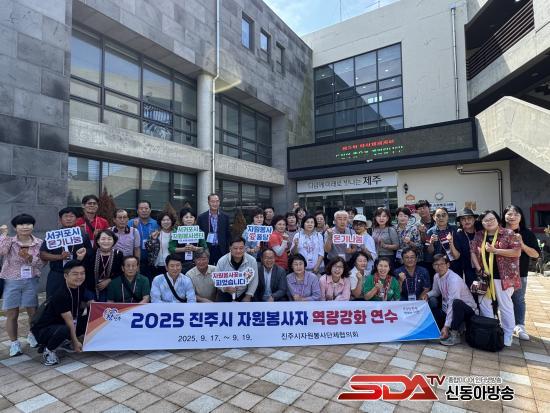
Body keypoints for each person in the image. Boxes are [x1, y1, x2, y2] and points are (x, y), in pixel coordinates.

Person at [471, 210, 522, 347]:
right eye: (485, 220)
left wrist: (496, 251)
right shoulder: (479, 235)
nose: (489, 222)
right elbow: (473, 251)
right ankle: (490, 329)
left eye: (491, 219)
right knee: (484, 303)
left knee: (505, 305)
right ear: (482, 223)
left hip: (504, 277)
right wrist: (479, 269)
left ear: (498, 220)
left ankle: (508, 333)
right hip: (484, 276)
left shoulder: (509, 233)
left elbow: (516, 252)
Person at [31, 260, 92, 366]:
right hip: (43, 330)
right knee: (65, 329)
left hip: (60, 323)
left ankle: (62, 341)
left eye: (82, 273)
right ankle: (48, 350)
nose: (79, 277)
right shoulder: (61, 294)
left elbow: (77, 304)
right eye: (75, 274)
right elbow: (69, 321)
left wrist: (89, 304)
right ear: (66, 276)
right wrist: (75, 342)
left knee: (89, 319)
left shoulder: (79, 287)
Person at [0, 214, 44, 357]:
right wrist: (4, 235)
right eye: (21, 224)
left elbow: (42, 263)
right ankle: (14, 343)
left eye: (28, 224)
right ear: (15, 227)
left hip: (31, 280)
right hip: (11, 280)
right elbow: (2, 251)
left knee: (33, 311)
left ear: (33, 226)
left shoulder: (39, 242)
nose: (25, 227)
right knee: (12, 314)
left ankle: (32, 335)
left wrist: (30, 258)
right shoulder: (10, 241)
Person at [503, 205, 540, 341]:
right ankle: (502, 324)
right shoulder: (499, 231)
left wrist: (522, 244)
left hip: (520, 273)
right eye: (509, 214)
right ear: (504, 216)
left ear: (521, 217)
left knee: (518, 299)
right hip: (499, 274)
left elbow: (536, 254)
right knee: (501, 300)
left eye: (516, 214)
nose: (512, 217)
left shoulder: (527, 233)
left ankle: (519, 325)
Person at [424, 254, 478, 346]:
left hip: (467, 312)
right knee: (434, 311)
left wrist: (446, 326)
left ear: (448, 265)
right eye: (436, 264)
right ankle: (451, 329)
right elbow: (436, 291)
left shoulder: (453, 279)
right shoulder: (436, 276)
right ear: (433, 266)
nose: (439, 267)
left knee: (456, 303)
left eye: (442, 264)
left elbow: (453, 302)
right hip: (448, 309)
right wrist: (427, 295)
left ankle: (454, 335)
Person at [40, 207, 91, 298]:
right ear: (60, 219)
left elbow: (90, 252)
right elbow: (43, 254)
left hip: (76, 274)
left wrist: (84, 253)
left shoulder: (83, 235)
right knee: (53, 299)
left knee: (76, 299)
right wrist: (60, 257)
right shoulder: (53, 235)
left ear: (76, 219)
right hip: (57, 273)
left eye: (71, 216)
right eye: (66, 216)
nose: (68, 219)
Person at [426, 207, 467, 278]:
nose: (441, 218)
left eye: (444, 215)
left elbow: (460, 250)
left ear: (448, 216)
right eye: (438, 216)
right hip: (439, 266)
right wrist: (431, 243)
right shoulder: (430, 232)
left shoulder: (455, 230)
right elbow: (429, 251)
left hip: (455, 265)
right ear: (434, 217)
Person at [215, 237, 258, 302]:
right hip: (226, 292)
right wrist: (225, 288)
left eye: (241, 248)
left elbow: (254, 281)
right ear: (230, 248)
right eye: (235, 248)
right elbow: (216, 280)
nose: (238, 251)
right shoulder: (222, 261)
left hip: (244, 292)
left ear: (244, 248)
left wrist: (248, 296)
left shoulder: (252, 261)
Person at [88, 229, 123, 301]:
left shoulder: (118, 254)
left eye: (109, 239)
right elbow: (86, 272)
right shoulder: (90, 253)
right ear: (98, 241)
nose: (106, 241)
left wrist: (109, 280)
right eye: (103, 239)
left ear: (113, 241)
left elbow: (120, 272)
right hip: (91, 289)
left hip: (111, 288)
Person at [170, 208, 208, 274]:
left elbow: (204, 247)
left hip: (195, 263)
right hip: (180, 263)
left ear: (194, 219)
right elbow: (171, 248)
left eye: (191, 217)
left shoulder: (199, 231)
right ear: (182, 219)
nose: (189, 219)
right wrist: (183, 249)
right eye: (186, 217)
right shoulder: (176, 232)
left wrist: (195, 248)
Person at [198, 193, 232, 265]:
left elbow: (228, 234)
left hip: (221, 249)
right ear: (208, 202)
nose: (215, 204)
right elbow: (199, 235)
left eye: (217, 201)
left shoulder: (225, 217)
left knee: (221, 268)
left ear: (219, 202)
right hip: (207, 249)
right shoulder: (202, 217)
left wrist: (228, 248)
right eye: (212, 201)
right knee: (207, 268)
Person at [129, 200, 159, 281]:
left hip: (151, 260)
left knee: (150, 281)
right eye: (141, 208)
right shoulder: (131, 222)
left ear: (150, 210)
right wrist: (134, 228)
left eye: (146, 208)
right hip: (135, 259)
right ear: (137, 211)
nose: (144, 210)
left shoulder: (156, 223)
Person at [455, 208, 480, 287]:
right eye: (463, 219)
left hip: (485, 266)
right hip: (468, 270)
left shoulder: (481, 231)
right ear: (460, 221)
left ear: (474, 219)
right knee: (473, 291)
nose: (466, 221)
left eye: (469, 218)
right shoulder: (458, 235)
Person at [147, 212, 177, 278]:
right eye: (163, 220)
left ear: (172, 221)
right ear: (160, 222)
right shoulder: (155, 233)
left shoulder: (176, 233)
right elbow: (149, 249)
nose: (166, 222)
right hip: (158, 265)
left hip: (173, 265)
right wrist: (153, 239)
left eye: (168, 220)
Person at [415, 200, 436, 276]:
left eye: (424, 207)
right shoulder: (417, 225)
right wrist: (422, 233)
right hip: (424, 259)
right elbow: (421, 242)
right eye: (419, 209)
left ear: (429, 208)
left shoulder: (437, 221)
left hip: (438, 256)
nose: (422, 210)